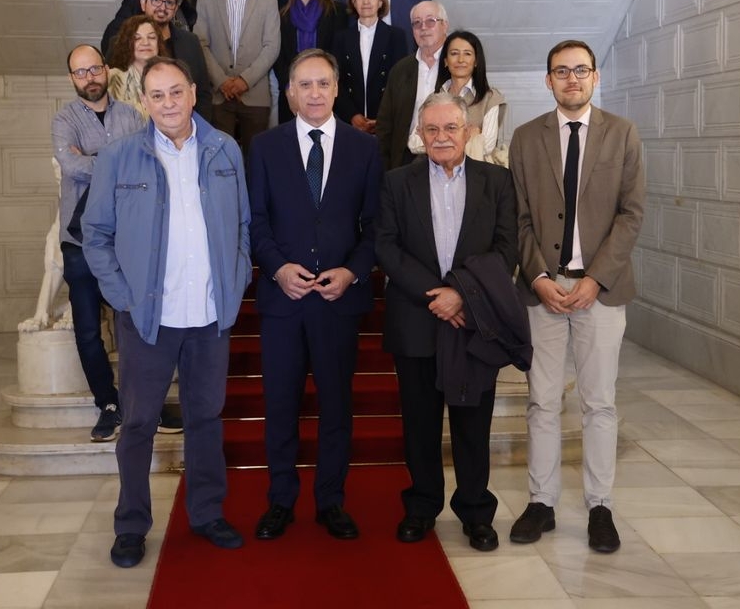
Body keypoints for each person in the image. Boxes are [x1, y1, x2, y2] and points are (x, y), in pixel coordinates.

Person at [83, 55, 251, 567]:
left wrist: (236, 279)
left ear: (194, 93)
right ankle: (131, 525)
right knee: (137, 424)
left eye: (176, 92)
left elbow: (243, 225)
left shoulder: (226, 150)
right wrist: (123, 297)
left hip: (207, 318)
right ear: (144, 102)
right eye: (157, 95)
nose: (168, 104)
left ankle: (206, 514)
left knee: (205, 418)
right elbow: (95, 235)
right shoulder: (119, 158)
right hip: (147, 319)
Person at [507, 39, 646, 554]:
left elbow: (632, 213)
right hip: (542, 288)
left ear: (596, 77)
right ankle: (541, 502)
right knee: (541, 400)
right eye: (561, 72)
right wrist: (539, 276)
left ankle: (600, 507)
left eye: (580, 70)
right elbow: (516, 217)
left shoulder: (622, 134)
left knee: (599, 402)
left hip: (600, 290)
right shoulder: (525, 138)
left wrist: (596, 279)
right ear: (547, 81)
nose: (571, 79)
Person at [375, 92, 522, 552]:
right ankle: (421, 508)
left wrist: (462, 295)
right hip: (416, 321)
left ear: (469, 132)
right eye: (432, 130)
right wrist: (433, 294)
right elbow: (386, 246)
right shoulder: (397, 182)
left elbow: (506, 248)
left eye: (450, 128)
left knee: (472, 425)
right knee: (419, 424)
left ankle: (476, 512)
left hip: (474, 322)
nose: (441, 137)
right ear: (420, 135)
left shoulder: (497, 182)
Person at [247, 49, 382, 543]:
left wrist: (352, 271)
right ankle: (280, 500)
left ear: (337, 87)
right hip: (283, 301)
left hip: (337, 302)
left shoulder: (364, 149)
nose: (314, 93)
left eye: (323, 83)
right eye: (304, 85)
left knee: (336, 407)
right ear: (289, 93)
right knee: (280, 404)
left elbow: (374, 227)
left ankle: (331, 500)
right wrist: (278, 268)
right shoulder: (264, 147)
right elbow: (255, 221)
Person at [51, 44, 144, 442]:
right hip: (79, 240)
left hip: (126, 239)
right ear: (72, 78)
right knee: (88, 329)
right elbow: (70, 164)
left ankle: (142, 404)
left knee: (134, 325)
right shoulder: (64, 120)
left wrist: (93, 159)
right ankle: (108, 403)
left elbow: (143, 162)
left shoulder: (131, 116)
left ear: (106, 70)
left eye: (94, 69)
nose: (89, 77)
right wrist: (114, 162)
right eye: (79, 72)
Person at [194, 0, 281, 156]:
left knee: (257, 159)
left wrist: (244, 80)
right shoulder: (205, 1)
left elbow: (272, 46)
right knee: (220, 159)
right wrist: (222, 81)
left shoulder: (268, 1)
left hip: (256, 94)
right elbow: (200, 44)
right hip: (218, 94)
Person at [374, 1, 450, 170]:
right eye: (417, 23)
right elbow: (384, 126)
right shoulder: (400, 70)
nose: (423, 28)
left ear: (445, 26)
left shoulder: (455, 67)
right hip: (405, 161)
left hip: (446, 160)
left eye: (430, 21)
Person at [408, 30, 505, 162]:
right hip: (434, 172)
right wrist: (467, 136)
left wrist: (435, 140)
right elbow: (413, 142)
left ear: (476, 61)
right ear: (446, 61)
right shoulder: (433, 99)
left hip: (474, 173)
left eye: (467, 54)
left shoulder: (490, 98)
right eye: (454, 53)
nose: (460, 60)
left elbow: (487, 146)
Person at [333, 0, 408, 133]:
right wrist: (352, 115)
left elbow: (400, 81)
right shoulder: (341, 38)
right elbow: (336, 81)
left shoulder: (396, 36)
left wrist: (383, 117)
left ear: (381, 2)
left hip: (385, 120)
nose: (366, 1)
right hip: (350, 121)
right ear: (354, 2)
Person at [138, 0, 213, 121]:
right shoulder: (123, 43)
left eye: (169, 3)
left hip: (187, 127)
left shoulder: (191, 42)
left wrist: (200, 130)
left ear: (175, 9)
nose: (162, 7)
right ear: (143, 4)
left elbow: (203, 92)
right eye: (156, 0)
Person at [276, 0, 337, 123]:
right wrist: (289, 89)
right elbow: (279, 56)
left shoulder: (335, 12)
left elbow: (337, 52)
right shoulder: (283, 15)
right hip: (293, 91)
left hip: (325, 90)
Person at [107, 15, 165, 112]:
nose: (145, 42)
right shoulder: (112, 78)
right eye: (137, 38)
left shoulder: (172, 75)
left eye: (151, 37)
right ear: (127, 43)